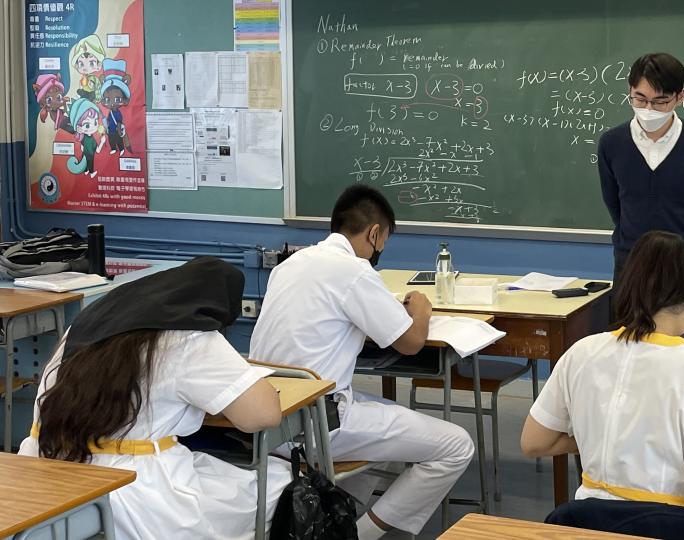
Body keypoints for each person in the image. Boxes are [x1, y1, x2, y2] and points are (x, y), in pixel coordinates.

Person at [520, 231, 684, 540]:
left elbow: (534, 442)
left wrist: (609, 436)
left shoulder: (582, 352)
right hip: (673, 527)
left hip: (590, 525)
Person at [249, 185, 474, 540]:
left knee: (389, 420)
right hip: (317, 424)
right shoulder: (354, 271)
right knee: (457, 445)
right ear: (374, 234)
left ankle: (335, 516)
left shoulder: (289, 265)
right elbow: (411, 343)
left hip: (267, 418)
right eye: (384, 240)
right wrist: (421, 308)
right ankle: (359, 534)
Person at [19, 257, 288, 540]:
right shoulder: (188, 336)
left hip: (43, 470)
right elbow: (261, 416)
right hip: (137, 492)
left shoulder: (84, 323)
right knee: (277, 482)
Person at [598, 52, 684, 316]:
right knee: (627, 339)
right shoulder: (612, 143)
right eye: (640, 98)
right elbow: (615, 204)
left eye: (660, 101)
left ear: (680, 97)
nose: (648, 109)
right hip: (631, 268)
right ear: (630, 91)